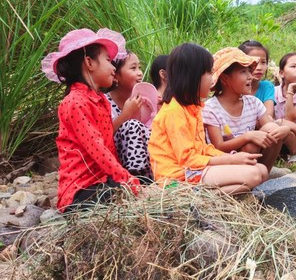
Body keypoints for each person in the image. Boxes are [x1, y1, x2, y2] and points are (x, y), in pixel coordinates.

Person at [41, 28, 140, 213]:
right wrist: (128, 180)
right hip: (81, 190)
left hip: (100, 181)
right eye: (109, 61)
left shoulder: (98, 99)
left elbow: (103, 138)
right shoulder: (75, 102)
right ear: (89, 62)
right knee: (123, 195)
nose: (113, 68)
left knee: (123, 193)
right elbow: (98, 149)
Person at [148, 43, 269, 195]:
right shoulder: (174, 111)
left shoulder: (194, 107)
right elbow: (188, 160)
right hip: (177, 177)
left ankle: (204, 196)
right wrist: (229, 160)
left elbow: (202, 148)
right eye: (210, 73)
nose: (213, 80)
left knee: (262, 171)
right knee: (254, 175)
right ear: (193, 77)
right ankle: (198, 197)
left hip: (195, 169)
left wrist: (231, 157)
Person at [202, 47, 290, 172]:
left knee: (272, 132)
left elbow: (269, 126)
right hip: (226, 161)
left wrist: (283, 130)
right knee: (251, 144)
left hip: (250, 158)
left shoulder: (253, 102)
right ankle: (251, 177)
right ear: (225, 79)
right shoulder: (211, 108)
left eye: (249, 71)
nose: (250, 76)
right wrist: (247, 136)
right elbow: (218, 146)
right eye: (243, 72)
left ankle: (265, 174)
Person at [106, 50, 153, 184]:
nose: (139, 73)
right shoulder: (105, 102)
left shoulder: (144, 98)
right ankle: (138, 179)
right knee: (131, 125)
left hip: (148, 161)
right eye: (133, 68)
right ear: (115, 76)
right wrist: (126, 114)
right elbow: (104, 134)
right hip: (119, 163)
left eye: (140, 67)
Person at [238, 40, 275, 119]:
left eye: (263, 62)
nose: (259, 68)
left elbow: (268, 116)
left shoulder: (267, 87)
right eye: (254, 62)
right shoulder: (236, 88)